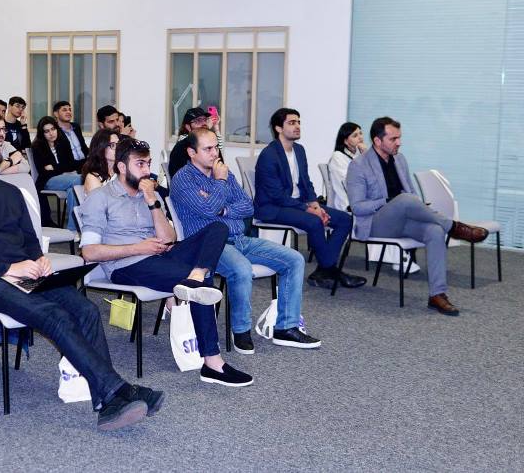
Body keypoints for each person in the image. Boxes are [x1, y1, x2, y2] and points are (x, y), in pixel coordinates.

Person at [0, 120, 164, 430]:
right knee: (54, 316)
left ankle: (106, 400)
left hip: (27, 274)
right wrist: (10, 269)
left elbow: (29, 239)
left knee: (86, 310)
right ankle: (118, 391)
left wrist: (39, 259)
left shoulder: (11, 193)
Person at [80, 137, 253, 386]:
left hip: (158, 255)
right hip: (126, 265)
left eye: (148, 163)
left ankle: (195, 275)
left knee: (217, 228)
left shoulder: (148, 195)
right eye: (140, 164)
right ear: (121, 167)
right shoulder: (100, 198)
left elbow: (169, 238)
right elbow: (89, 252)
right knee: (203, 286)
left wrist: (152, 202)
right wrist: (138, 247)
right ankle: (213, 363)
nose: (146, 170)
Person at [171, 129, 320, 353]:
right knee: (241, 269)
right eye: (207, 149)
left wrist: (223, 209)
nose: (215, 153)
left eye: (215, 147)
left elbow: (248, 206)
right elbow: (207, 210)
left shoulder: (224, 172)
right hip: (209, 246)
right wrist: (220, 183)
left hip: (239, 239)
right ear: (192, 152)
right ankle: (240, 331)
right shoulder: (184, 179)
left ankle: (286, 327)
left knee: (294, 259)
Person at [346, 117, 489, 316]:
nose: (399, 143)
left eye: (399, 138)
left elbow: (411, 194)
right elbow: (358, 207)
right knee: (405, 199)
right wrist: (388, 201)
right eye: (393, 139)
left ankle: (437, 295)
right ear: (377, 141)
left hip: (403, 220)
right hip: (375, 223)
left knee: (435, 231)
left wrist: (415, 205)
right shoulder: (359, 165)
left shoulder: (400, 159)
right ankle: (455, 227)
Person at [254, 108, 367, 290]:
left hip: (296, 204)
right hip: (272, 207)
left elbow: (306, 183)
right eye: (292, 123)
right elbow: (277, 195)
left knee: (345, 219)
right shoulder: (269, 155)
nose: (297, 126)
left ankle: (324, 269)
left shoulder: (299, 150)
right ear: (278, 128)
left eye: (298, 122)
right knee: (314, 221)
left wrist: (316, 205)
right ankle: (330, 269)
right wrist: (309, 210)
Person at [328, 122, 418, 273]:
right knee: (388, 210)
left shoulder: (360, 155)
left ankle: (402, 254)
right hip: (349, 204)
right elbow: (349, 185)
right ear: (345, 141)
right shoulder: (338, 157)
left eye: (360, 133)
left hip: (371, 202)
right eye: (355, 135)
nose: (360, 138)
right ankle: (400, 257)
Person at [31, 116, 82, 229]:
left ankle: (73, 229)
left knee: (73, 191)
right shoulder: (37, 146)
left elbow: (71, 164)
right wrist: (63, 170)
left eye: (53, 129)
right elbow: (43, 171)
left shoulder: (63, 142)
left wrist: (55, 167)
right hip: (47, 181)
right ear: (42, 133)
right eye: (47, 131)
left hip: (66, 179)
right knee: (82, 179)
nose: (51, 133)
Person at [168, 107, 222, 177]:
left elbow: (220, 164)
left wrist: (216, 128)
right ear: (188, 127)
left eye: (205, 120)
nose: (203, 123)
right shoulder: (183, 146)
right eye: (198, 121)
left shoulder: (205, 142)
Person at [81, 129, 118, 194]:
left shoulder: (120, 172)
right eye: (113, 145)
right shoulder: (92, 178)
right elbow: (102, 200)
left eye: (119, 144)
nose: (118, 148)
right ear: (101, 148)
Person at [53, 101, 88, 168]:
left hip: (85, 164)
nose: (68, 112)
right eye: (64, 110)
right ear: (56, 114)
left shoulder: (76, 127)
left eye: (70, 110)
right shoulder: (54, 131)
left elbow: (83, 147)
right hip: (69, 167)